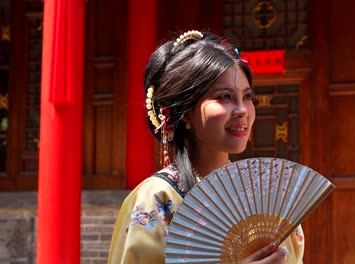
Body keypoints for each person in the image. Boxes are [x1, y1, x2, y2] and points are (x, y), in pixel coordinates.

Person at [108, 30, 304, 263]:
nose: (242, 109)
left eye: (248, 97)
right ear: (186, 113)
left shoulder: (269, 202)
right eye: (224, 96)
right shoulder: (157, 199)